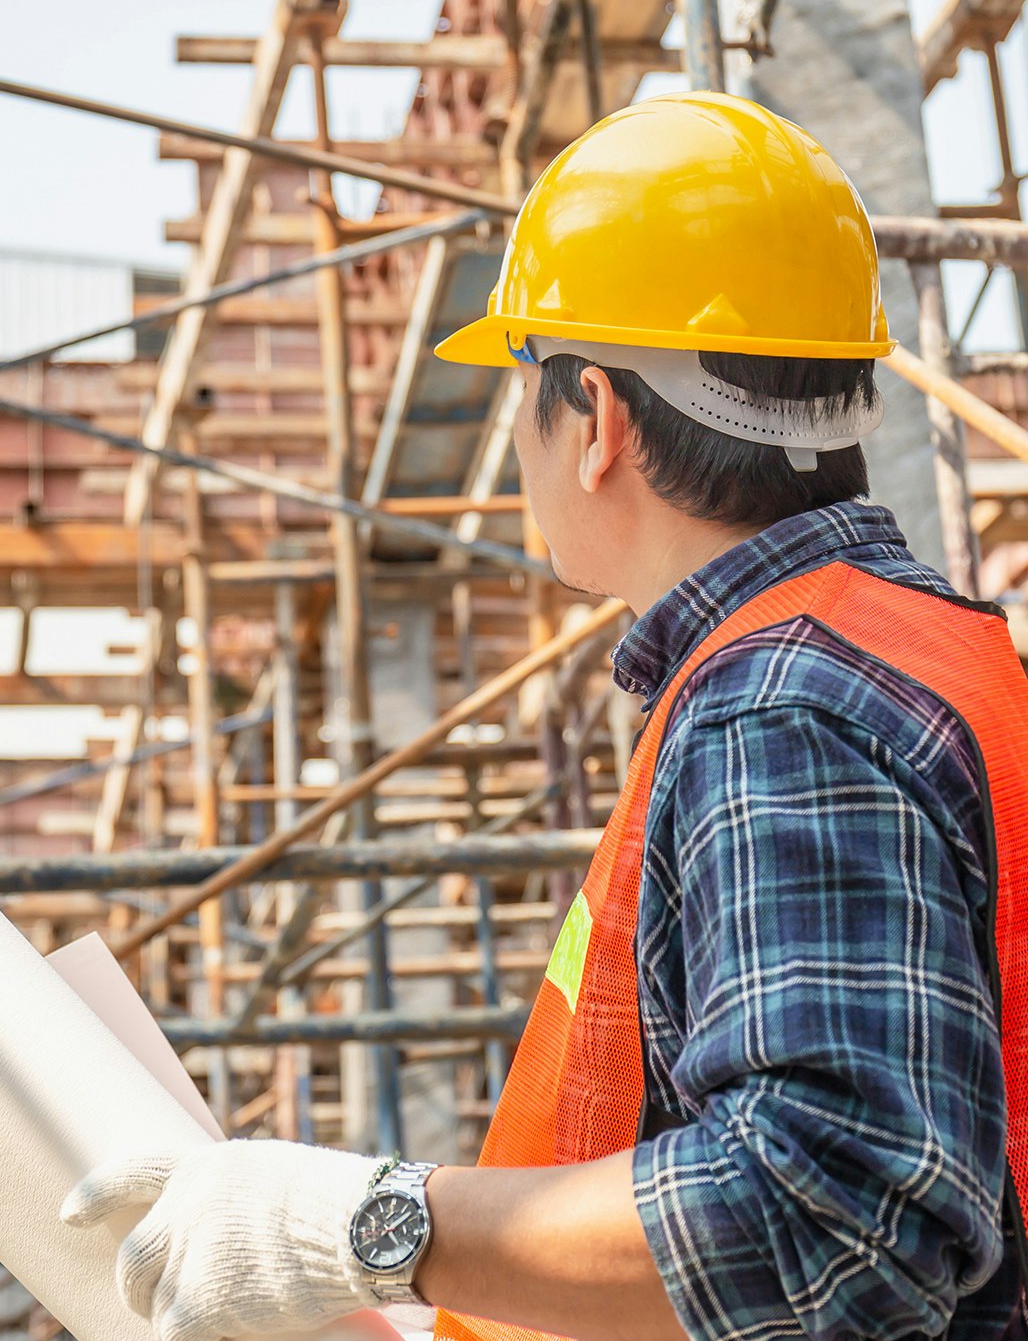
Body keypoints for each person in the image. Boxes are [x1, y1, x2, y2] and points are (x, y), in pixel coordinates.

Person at [60, 93, 1027, 1341]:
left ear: (598, 422)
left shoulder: (777, 708)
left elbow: (828, 1218)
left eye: (524, 388)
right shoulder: (928, 658)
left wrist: (368, 1227)